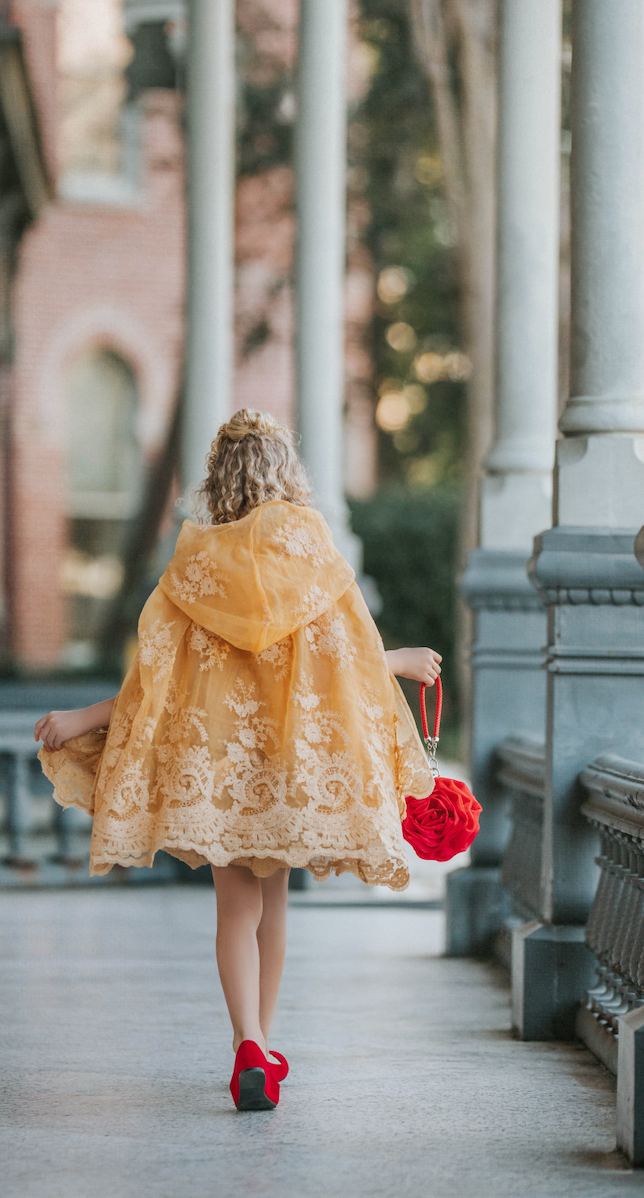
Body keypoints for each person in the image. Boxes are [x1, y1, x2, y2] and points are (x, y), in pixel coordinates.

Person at [34, 409, 441, 1111]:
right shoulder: (311, 551)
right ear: (287, 474)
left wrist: (80, 719)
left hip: (217, 768)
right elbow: (343, 660)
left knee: (235, 911)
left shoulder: (193, 568)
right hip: (285, 767)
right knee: (273, 904)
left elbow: (153, 683)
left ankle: (248, 1040)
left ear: (219, 480)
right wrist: (400, 661)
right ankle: (261, 1045)